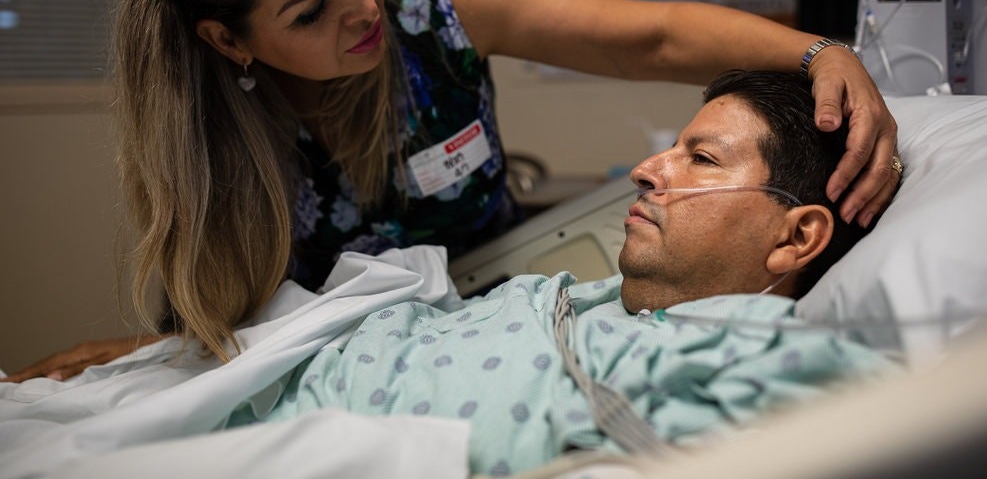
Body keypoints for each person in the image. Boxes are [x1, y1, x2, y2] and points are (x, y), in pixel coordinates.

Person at [2, 0, 900, 382]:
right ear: (229, 40)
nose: (363, 8)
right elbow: (231, 327)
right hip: (330, 356)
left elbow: (651, 38)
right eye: (310, 11)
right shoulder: (206, 133)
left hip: (498, 311)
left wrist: (821, 53)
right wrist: (154, 355)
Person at [224, 69, 900, 475]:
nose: (647, 169)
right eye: (671, 148)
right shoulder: (585, 305)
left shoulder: (761, 359)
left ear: (797, 235)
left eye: (701, 158)